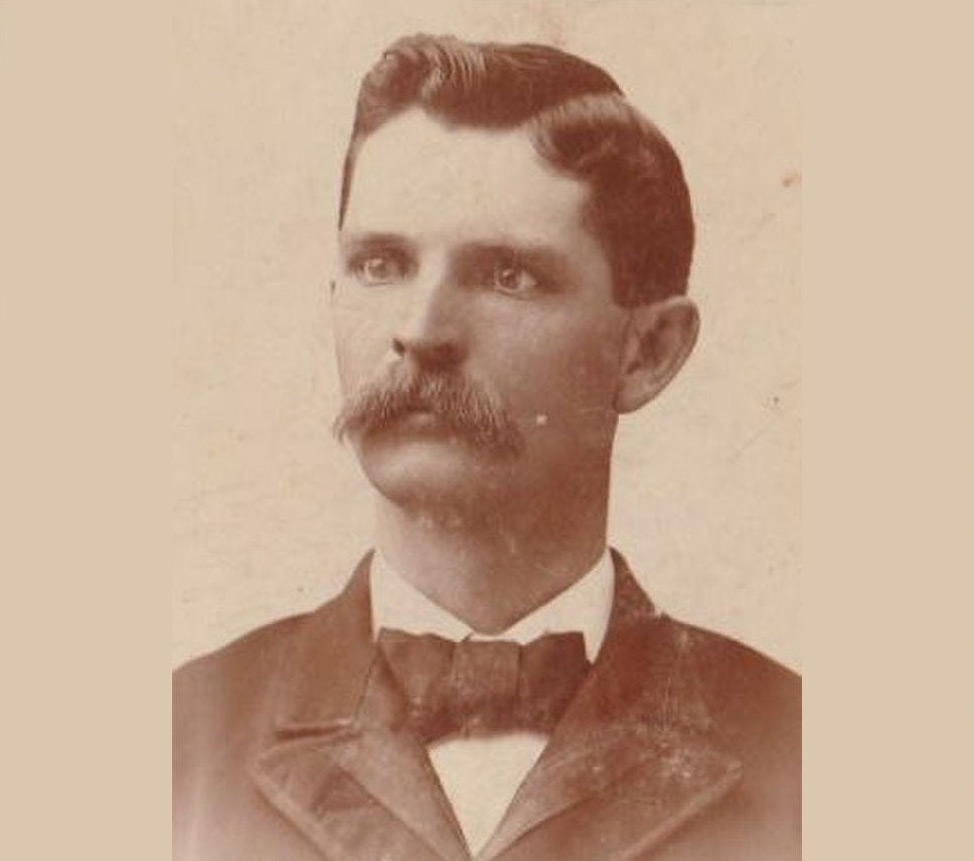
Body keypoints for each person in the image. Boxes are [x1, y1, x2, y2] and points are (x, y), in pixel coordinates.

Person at [173, 34, 800, 861]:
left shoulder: (805, 758)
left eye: (509, 276)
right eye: (381, 264)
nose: (422, 330)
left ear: (645, 352)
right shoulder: (174, 744)